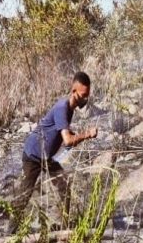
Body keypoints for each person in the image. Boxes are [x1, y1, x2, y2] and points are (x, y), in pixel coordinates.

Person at [11, 71, 98, 230]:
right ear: (73, 91)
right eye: (83, 95)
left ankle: (65, 228)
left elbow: (65, 139)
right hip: (33, 155)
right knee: (24, 195)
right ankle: (8, 235)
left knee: (64, 186)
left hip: (46, 157)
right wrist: (87, 135)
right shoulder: (62, 107)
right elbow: (68, 140)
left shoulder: (69, 108)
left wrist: (76, 137)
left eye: (87, 95)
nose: (85, 99)